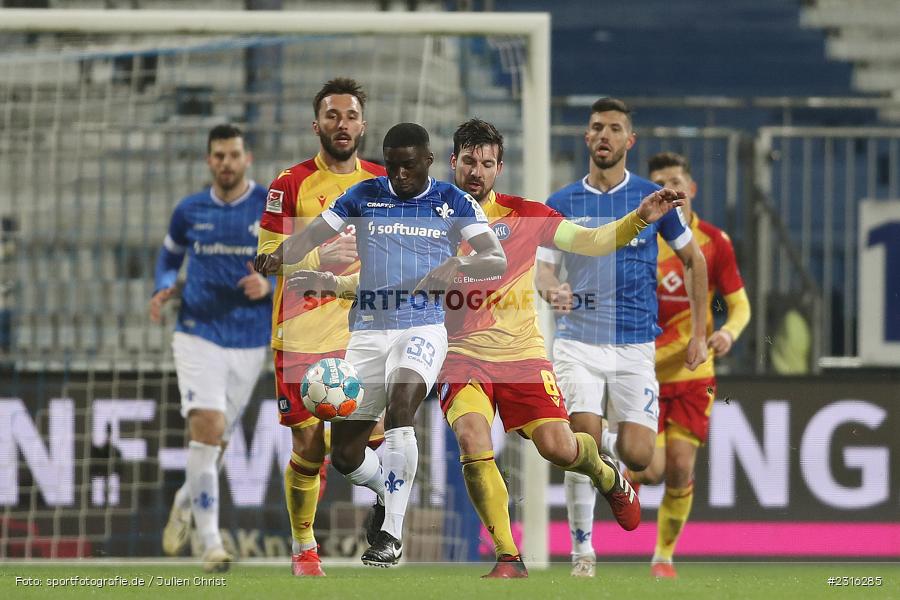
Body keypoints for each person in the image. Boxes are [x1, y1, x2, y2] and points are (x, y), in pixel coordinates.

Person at [436, 120, 689, 577]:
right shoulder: (428, 218)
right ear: (453, 161)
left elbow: (590, 241)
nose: (477, 171)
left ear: (500, 167)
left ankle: (608, 475)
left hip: (522, 358)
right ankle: (508, 557)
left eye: (487, 163)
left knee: (559, 447)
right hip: (460, 356)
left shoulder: (527, 216)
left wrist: (639, 218)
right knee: (473, 437)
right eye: (469, 161)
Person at [257, 122, 507, 568]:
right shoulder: (363, 195)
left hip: (423, 327)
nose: (398, 175)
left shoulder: (453, 201)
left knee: (402, 404)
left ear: (428, 161)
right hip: (368, 330)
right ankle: (383, 488)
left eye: (408, 166)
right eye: (391, 165)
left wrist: (457, 264)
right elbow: (312, 236)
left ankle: (391, 535)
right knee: (346, 455)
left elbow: (495, 258)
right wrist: (281, 254)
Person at [534, 98, 709, 578]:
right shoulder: (562, 203)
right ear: (587, 138)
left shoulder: (655, 199)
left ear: (629, 141)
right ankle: (583, 552)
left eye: (615, 128)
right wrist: (554, 291)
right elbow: (542, 273)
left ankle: (609, 438)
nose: (605, 135)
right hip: (577, 340)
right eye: (597, 128)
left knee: (637, 455)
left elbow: (695, 260)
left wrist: (698, 334)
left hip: (634, 343)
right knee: (580, 443)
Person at [256, 78, 387, 577]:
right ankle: (304, 548)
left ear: (362, 125)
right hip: (301, 331)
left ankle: (384, 505)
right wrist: (317, 254)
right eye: (332, 116)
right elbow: (265, 259)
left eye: (350, 116)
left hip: (363, 330)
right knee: (309, 449)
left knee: (371, 439)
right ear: (317, 125)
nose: (342, 124)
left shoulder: (382, 182)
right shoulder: (288, 184)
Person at [152, 124, 272, 573]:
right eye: (218, 155)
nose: (226, 162)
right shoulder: (189, 210)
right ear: (209, 161)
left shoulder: (269, 206)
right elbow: (168, 257)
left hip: (249, 339)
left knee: (214, 445)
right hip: (197, 331)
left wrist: (270, 281)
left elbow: (297, 260)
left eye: (233, 155)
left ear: (248, 159)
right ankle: (210, 544)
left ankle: (185, 502)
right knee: (207, 425)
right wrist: (163, 287)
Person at [628, 152, 750, 579]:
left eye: (676, 181)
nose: (671, 190)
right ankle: (617, 457)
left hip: (694, 374)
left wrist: (728, 333)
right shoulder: (640, 238)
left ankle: (663, 556)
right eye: (660, 182)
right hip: (644, 370)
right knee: (651, 467)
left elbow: (740, 307)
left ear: (691, 188)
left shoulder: (715, 242)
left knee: (679, 468)